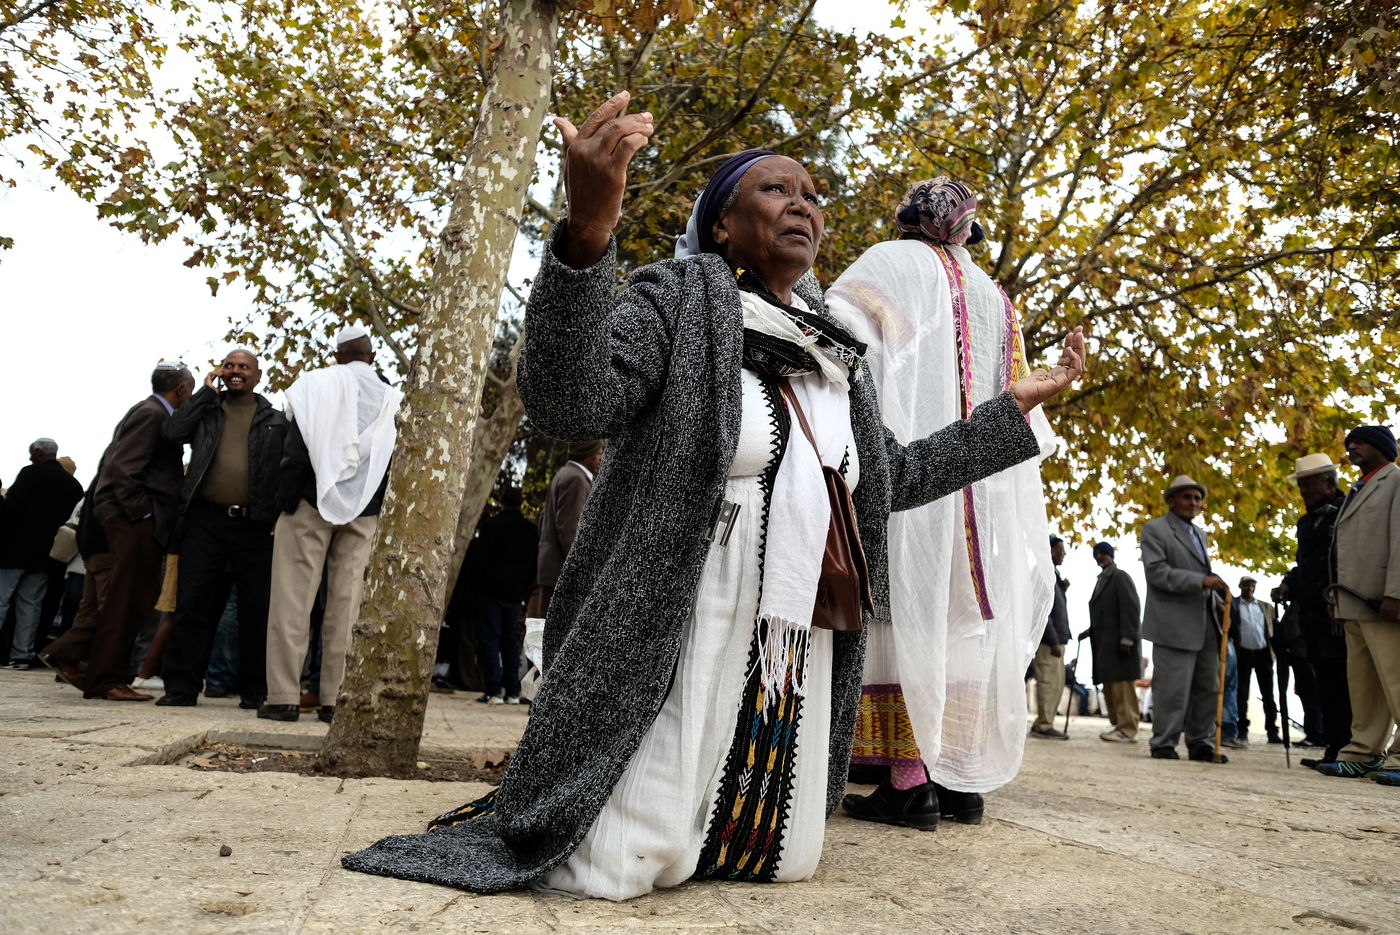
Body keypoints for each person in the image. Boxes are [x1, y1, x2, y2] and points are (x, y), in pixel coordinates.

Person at [341, 92, 1086, 898]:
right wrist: (587, 235)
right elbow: (571, 402)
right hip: (681, 612)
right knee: (620, 859)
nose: (801, 204)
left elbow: (891, 477)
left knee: (782, 856)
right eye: (776, 189)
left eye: (812, 195)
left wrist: (1010, 411)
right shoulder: (679, 299)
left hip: (795, 633)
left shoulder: (837, 353)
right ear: (723, 226)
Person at [823, 176, 1056, 830]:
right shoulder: (996, 298)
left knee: (904, 611)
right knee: (957, 622)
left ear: (907, 220)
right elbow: (1020, 403)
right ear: (969, 230)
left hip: (913, 469)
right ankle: (960, 780)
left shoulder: (888, 265)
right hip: (978, 489)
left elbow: (834, 340)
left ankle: (910, 781)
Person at [259, 325, 402, 724]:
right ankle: (334, 700)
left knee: (292, 599)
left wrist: (283, 503)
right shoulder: (392, 397)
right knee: (348, 604)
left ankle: (283, 698)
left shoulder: (314, 384)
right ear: (372, 357)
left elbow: (293, 449)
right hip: (365, 508)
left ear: (337, 356)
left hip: (308, 502)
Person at [42, 362, 195, 700]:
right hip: (133, 521)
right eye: (192, 390)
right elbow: (123, 468)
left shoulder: (150, 411)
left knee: (129, 600)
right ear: (181, 389)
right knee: (126, 601)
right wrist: (142, 514)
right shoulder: (153, 414)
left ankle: (78, 659)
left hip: (129, 520)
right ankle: (102, 677)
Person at [154, 349, 287, 709]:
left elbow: (286, 468)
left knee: (256, 609)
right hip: (204, 521)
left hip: (255, 525)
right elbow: (172, 432)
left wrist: (280, 515)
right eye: (229, 365)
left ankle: (254, 690)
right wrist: (204, 393)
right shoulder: (207, 409)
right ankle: (181, 688)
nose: (235, 371)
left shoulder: (275, 419)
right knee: (192, 604)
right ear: (220, 372)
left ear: (257, 375)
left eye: (243, 366)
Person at [1318, 426, 1400, 784]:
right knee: (1364, 687)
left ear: (1383, 448)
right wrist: (1336, 599)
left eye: (1360, 441)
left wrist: (1396, 593)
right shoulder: (1358, 488)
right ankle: (1363, 753)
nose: (1351, 447)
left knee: (1396, 681)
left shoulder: (1396, 481)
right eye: (1349, 442)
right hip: (1352, 602)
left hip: (1384, 602)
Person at [1140, 474, 1231, 763]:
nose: (1193, 503)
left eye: (1197, 498)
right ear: (1171, 500)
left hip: (1205, 622)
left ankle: (1200, 743)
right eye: (1186, 497)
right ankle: (1163, 742)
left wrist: (1217, 601)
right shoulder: (1155, 529)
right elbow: (1157, 573)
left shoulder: (1200, 534)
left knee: (1208, 686)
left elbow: (1203, 575)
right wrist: (1201, 582)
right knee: (1172, 688)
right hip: (1173, 623)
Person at [1275, 453, 1350, 765]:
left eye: (1309, 484)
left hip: (1339, 610)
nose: (1303, 491)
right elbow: (1304, 564)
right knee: (1326, 681)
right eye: (1301, 486)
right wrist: (1288, 584)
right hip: (1311, 613)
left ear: (1329, 483)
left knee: (1342, 680)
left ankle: (1347, 747)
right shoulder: (1305, 522)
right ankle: (1333, 747)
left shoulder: (1346, 512)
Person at [0, 438, 83, 668]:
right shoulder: (73, 486)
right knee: (31, 604)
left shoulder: (30, 473)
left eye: (31, 453)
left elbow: (11, 508)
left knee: (1, 600)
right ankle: (22, 655)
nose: (29, 457)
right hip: (47, 556)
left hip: (14, 551)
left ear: (38, 452)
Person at [464, 486, 537, 704]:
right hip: (515, 594)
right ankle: (513, 691)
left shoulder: (491, 526)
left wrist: (479, 587)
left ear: (502, 501)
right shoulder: (530, 530)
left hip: (491, 592)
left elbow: (480, 561)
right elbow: (533, 563)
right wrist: (524, 589)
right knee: (510, 641)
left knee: (490, 639)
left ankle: (494, 690)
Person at [527, 440, 603, 620]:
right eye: (599, 452)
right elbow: (571, 532)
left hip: (554, 572)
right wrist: (583, 571)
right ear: (587, 454)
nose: (602, 457)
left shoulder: (565, 474)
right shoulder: (576, 479)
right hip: (562, 575)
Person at [1081, 542, 1143, 742]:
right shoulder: (1102, 580)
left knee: (1123, 687)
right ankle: (1119, 726)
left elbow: (1131, 610)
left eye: (1102, 553)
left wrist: (1127, 639)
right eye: (1096, 554)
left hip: (1121, 645)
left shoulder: (1120, 577)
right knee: (1112, 688)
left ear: (1111, 555)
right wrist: (1089, 631)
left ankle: (1127, 729)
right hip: (1106, 646)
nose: (1099, 557)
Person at [1030, 536, 1072, 739]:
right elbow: (1041, 611)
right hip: (1049, 642)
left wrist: (1062, 588)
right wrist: (1053, 640)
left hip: (1056, 640)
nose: (1064, 554)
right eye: (1061, 550)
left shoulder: (1051, 574)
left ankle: (1045, 723)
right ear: (1052, 551)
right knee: (1048, 682)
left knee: (1056, 684)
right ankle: (1043, 725)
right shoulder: (1042, 572)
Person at [1233, 576, 1280, 744]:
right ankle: (1241, 729)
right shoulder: (1234, 605)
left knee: (1268, 694)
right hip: (1242, 654)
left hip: (1263, 653)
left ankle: (1272, 731)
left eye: (1252, 585)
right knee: (1241, 694)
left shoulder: (1265, 607)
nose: (1249, 588)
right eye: (1246, 585)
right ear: (1240, 586)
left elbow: (1273, 629)